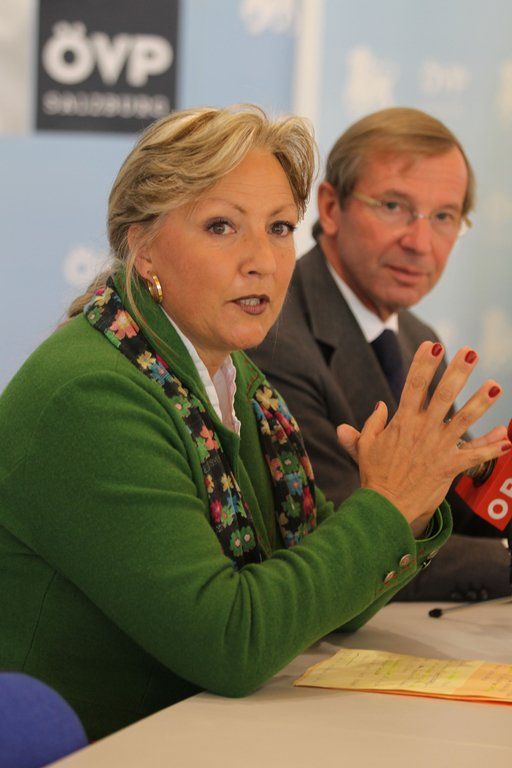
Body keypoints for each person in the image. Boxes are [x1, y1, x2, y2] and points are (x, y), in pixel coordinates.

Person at [0, 106, 508, 742]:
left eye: (279, 228)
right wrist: (385, 505)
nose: (262, 260)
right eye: (221, 227)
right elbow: (231, 641)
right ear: (142, 246)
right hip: (103, 746)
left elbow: (330, 598)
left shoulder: (235, 378)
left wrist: (412, 502)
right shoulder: (92, 393)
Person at [250, 106, 511, 601]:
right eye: (393, 206)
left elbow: (458, 502)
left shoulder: (415, 336)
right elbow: (350, 538)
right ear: (331, 208)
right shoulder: (273, 334)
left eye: (443, 217)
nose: (420, 242)